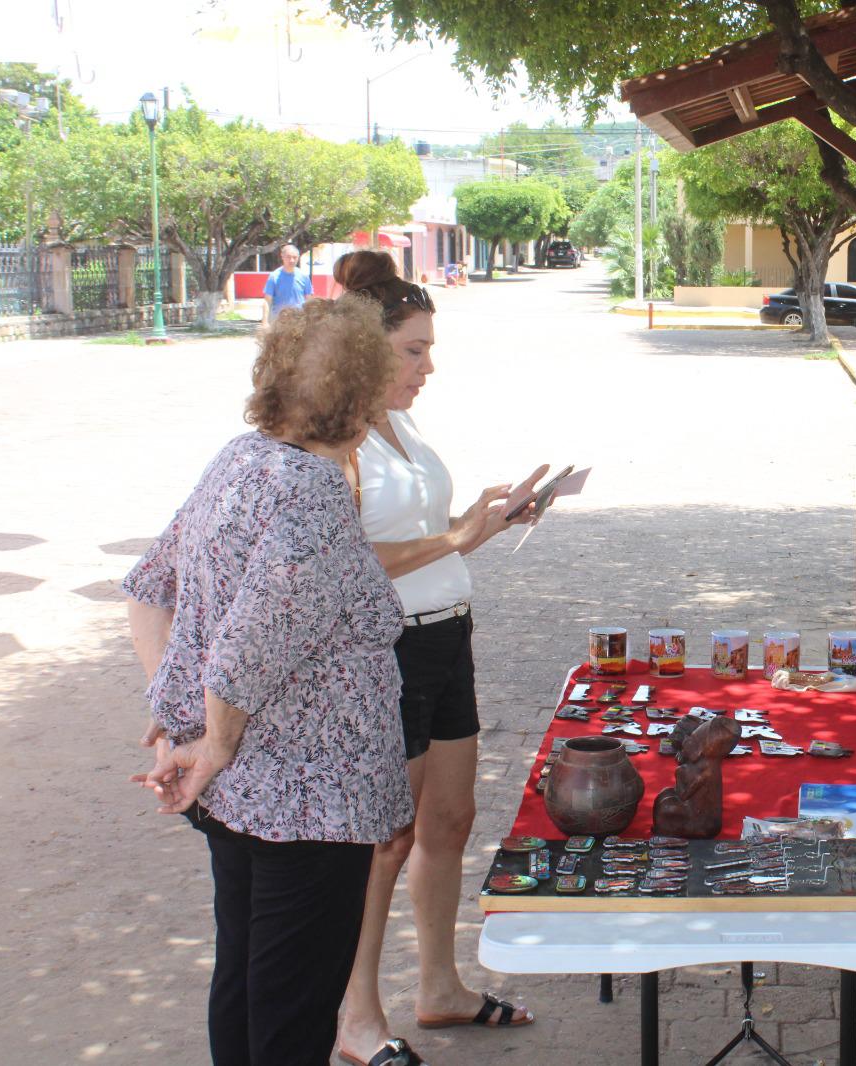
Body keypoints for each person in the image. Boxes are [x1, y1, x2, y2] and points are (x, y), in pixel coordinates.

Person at [125, 296, 413, 1065]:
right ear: (363, 396)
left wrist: (178, 721)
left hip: (251, 801)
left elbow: (147, 589)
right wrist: (207, 745)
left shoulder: (239, 459)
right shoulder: (312, 495)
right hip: (307, 805)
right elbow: (242, 656)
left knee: (248, 987)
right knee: (288, 1011)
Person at [331, 250, 548, 1066]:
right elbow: (346, 560)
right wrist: (455, 536)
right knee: (385, 842)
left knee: (448, 823)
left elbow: (428, 537)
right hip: (389, 650)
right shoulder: (339, 435)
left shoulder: (402, 423)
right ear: (368, 346)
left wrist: (483, 521)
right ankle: (356, 1016)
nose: (428, 366)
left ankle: (440, 988)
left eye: (429, 349)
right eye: (414, 349)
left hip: (446, 633)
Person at [262, 243, 313, 321]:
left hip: (298, 321)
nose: (292, 260)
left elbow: (309, 300)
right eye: (288, 257)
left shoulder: (304, 277)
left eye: (294, 257)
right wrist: (264, 322)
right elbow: (267, 301)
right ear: (282, 257)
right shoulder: (274, 276)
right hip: (279, 322)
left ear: (298, 258)